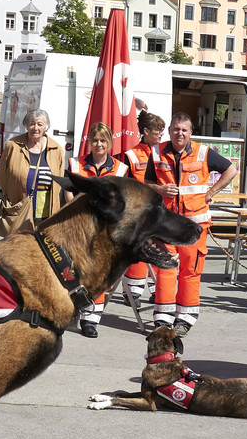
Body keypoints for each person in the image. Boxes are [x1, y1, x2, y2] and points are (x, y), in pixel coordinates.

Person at [142, 112, 238, 334]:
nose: (180, 133)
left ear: (191, 133)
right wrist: (160, 189)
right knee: (165, 269)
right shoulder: (156, 152)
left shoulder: (203, 152)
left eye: (184, 130)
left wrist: (211, 192)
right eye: (176, 129)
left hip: (194, 226)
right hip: (166, 225)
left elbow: (231, 170)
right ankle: (163, 319)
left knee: (190, 272)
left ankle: (185, 319)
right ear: (169, 131)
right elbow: (146, 182)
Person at [74, 122, 130, 338]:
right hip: (81, 225)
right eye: (95, 140)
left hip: (106, 228)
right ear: (89, 142)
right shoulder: (76, 163)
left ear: (109, 143)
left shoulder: (121, 169)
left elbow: (123, 199)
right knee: (78, 270)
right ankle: (74, 310)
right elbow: (69, 193)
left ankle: (90, 320)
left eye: (103, 140)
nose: (99, 144)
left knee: (99, 272)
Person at [0, 108, 69, 238]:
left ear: (46, 127)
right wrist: (12, 195)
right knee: (17, 242)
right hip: (18, 205)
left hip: (45, 207)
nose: (35, 128)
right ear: (26, 126)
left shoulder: (56, 149)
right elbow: (2, 176)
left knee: (40, 242)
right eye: (32, 124)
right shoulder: (13, 145)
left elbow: (58, 179)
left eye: (40, 124)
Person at [121, 111, 169, 303]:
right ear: (146, 131)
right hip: (138, 212)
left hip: (160, 212)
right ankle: (132, 292)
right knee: (138, 250)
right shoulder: (131, 155)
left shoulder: (163, 153)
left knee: (159, 250)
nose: (161, 134)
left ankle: (158, 290)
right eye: (158, 130)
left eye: (162, 130)